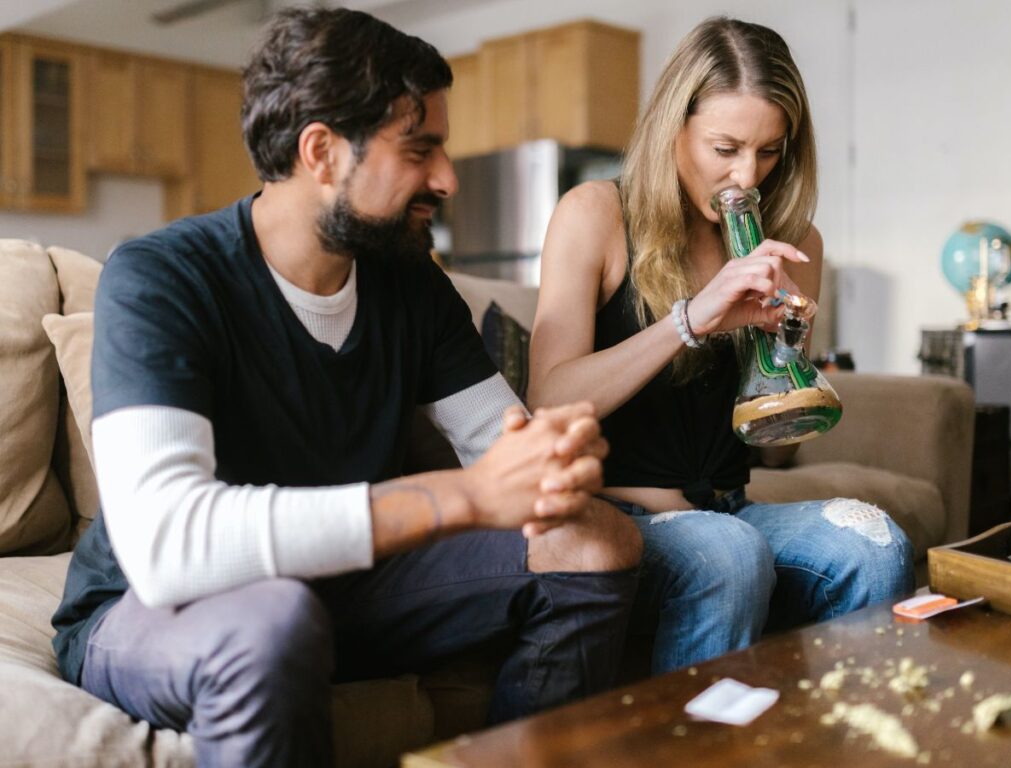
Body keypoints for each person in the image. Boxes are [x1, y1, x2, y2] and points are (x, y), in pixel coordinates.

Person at [51, 7, 641, 766]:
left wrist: (556, 462)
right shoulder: (164, 276)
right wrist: (464, 498)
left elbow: (506, 445)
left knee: (596, 540)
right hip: (156, 606)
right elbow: (166, 544)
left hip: (344, 581)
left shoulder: (409, 284)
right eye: (420, 149)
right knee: (269, 622)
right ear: (322, 151)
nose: (447, 178)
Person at [527, 17, 914, 675]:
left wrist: (787, 358)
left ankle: (842, 739)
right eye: (725, 147)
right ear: (672, 127)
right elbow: (549, 402)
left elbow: (778, 452)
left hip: (733, 512)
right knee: (728, 554)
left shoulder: (795, 243)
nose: (747, 175)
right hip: (620, 520)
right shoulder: (595, 214)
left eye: (768, 152)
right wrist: (693, 320)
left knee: (877, 546)